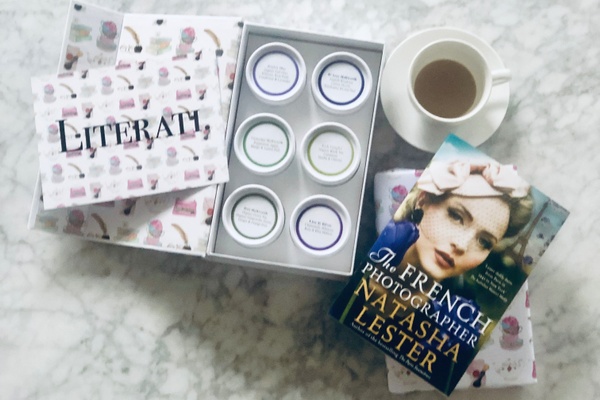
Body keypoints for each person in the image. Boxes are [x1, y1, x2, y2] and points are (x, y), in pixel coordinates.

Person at [393, 160, 534, 288]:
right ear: (422, 201)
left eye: (484, 242)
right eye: (456, 216)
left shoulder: (467, 305)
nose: (461, 245)